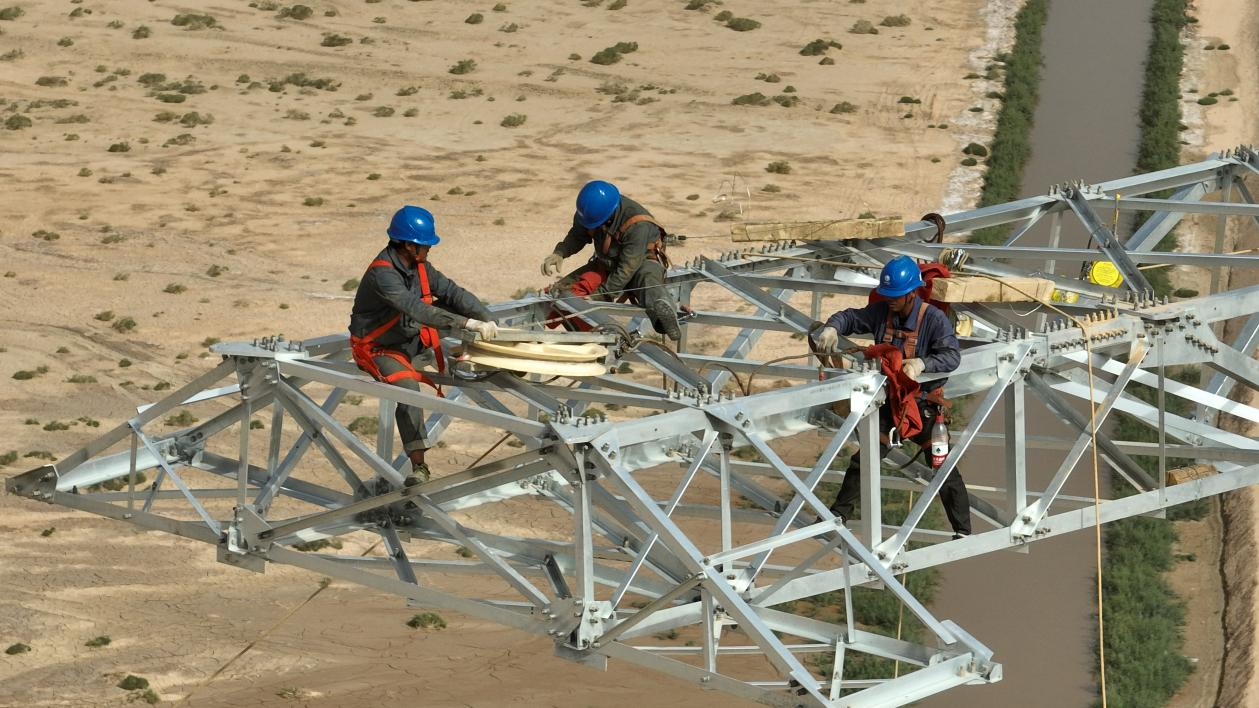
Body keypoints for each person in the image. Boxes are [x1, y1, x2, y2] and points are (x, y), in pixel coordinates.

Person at [812, 255, 972, 538]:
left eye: (895, 296)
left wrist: (922, 364)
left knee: (942, 464)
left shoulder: (933, 319)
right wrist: (833, 326)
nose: (890, 300)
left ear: (911, 293)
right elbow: (851, 317)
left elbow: (951, 356)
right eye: (887, 295)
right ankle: (837, 516)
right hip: (891, 403)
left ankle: (963, 531)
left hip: (923, 404)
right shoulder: (882, 312)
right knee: (865, 460)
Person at [349, 205, 498, 484]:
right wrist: (467, 324)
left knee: (457, 307)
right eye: (425, 245)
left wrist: (486, 319)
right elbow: (417, 310)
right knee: (409, 391)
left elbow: (452, 292)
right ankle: (419, 466)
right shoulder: (383, 275)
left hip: (410, 337)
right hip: (381, 348)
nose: (429, 249)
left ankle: (497, 358)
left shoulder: (419, 267)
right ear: (409, 245)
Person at [540, 180, 681, 340]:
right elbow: (577, 235)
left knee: (648, 282)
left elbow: (627, 268)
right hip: (608, 262)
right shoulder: (589, 213)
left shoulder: (637, 224)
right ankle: (591, 338)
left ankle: (664, 318)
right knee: (563, 292)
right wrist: (560, 252)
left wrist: (599, 295)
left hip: (641, 262)